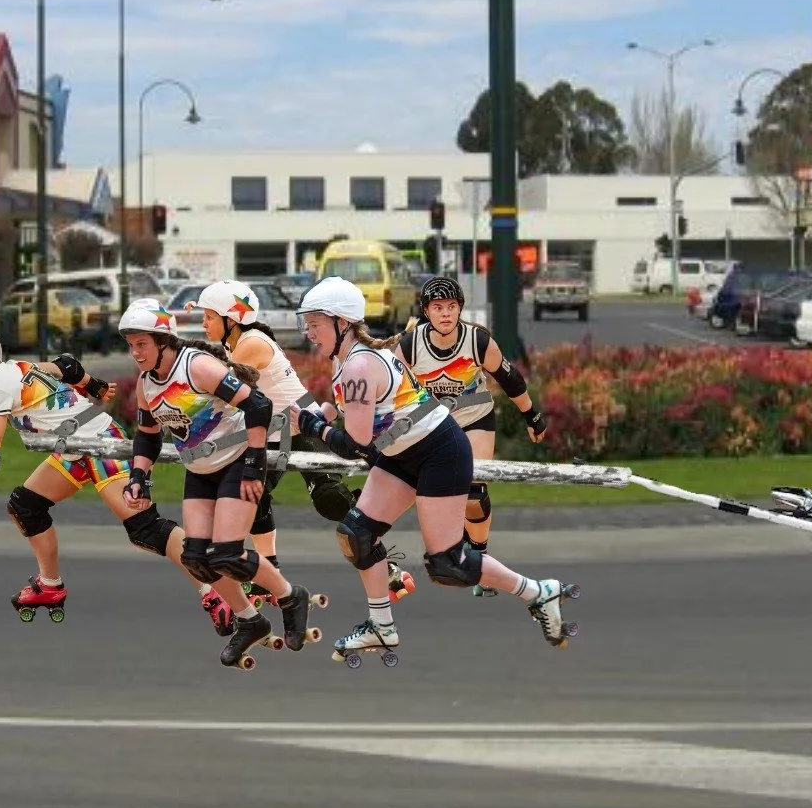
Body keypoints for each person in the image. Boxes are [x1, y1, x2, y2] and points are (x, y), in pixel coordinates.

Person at [293, 276, 577, 665]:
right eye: (306, 324)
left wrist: (312, 426)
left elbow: (355, 445)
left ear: (342, 323)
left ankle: (537, 592)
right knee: (356, 534)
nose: (308, 333)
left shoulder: (359, 363)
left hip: (438, 451)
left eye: (315, 324)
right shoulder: (351, 359)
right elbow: (355, 417)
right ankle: (382, 627)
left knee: (447, 565)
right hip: (403, 452)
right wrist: (320, 414)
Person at [0, 326, 226, 633]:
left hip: (101, 446)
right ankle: (50, 585)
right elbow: (66, 366)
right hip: (77, 449)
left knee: (147, 529)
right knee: (26, 506)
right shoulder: (17, 368)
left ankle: (216, 586)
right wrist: (95, 386)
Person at [184, 280, 415, 607]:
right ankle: (268, 573)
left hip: (302, 426)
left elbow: (208, 380)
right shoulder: (240, 341)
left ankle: (386, 564)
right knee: (254, 494)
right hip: (275, 434)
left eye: (209, 316)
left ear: (231, 319)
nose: (204, 323)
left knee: (329, 499)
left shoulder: (251, 343)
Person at [119, 299, 321, 669]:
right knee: (196, 558)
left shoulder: (197, 367)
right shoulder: (148, 385)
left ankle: (293, 597)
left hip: (236, 463)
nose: (135, 353)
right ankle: (251, 620)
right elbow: (147, 435)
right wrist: (138, 477)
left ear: (164, 341)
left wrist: (254, 460)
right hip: (200, 470)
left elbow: (258, 404)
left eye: (142, 344)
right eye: (131, 345)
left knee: (227, 552)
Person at [397, 274, 547, 596]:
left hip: (474, 414)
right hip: (431, 422)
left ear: (460, 309)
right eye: (438, 308)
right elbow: (389, 392)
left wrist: (531, 416)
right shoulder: (409, 345)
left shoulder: (476, 340)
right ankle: (452, 551)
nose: (446, 314)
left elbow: (510, 379)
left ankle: (479, 555)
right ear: (426, 311)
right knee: (416, 486)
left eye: (452, 307)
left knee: (475, 493)